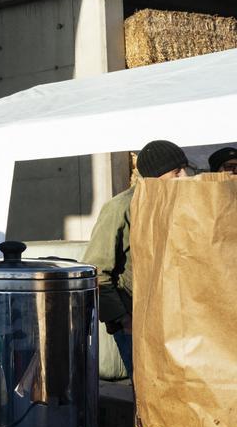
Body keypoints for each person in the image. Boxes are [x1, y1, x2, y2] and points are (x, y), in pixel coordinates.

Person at [82, 140, 192, 376]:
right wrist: (124, 320)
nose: (185, 176)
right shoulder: (121, 207)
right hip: (136, 324)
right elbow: (96, 270)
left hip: (175, 322)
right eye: (176, 171)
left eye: (185, 168)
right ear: (155, 175)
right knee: (148, 396)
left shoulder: (179, 202)